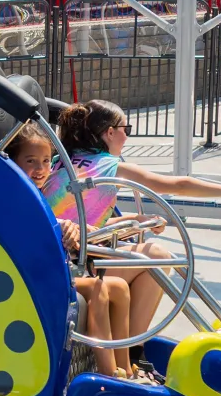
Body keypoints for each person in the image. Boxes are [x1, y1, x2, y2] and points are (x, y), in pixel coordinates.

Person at [41, 99, 221, 370]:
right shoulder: (109, 166)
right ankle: (133, 350)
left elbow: (82, 219)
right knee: (157, 256)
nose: (126, 136)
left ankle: (131, 351)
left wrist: (135, 220)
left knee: (149, 255)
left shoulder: (60, 161)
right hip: (77, 260)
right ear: (109, 132)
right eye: (125, 128)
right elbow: (176, 184)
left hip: (63, 252)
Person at [9, 123, 136, 379]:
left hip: (50, 270)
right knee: (97, 287)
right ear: (13, 161)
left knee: (119, 287)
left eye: (46, 161)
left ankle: (127, 369)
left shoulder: (39, 192)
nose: (40, 169)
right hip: (28, 276)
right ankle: (109, 374)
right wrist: (61, 227)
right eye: (31, 161)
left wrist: (70, 228)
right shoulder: (16, 194)